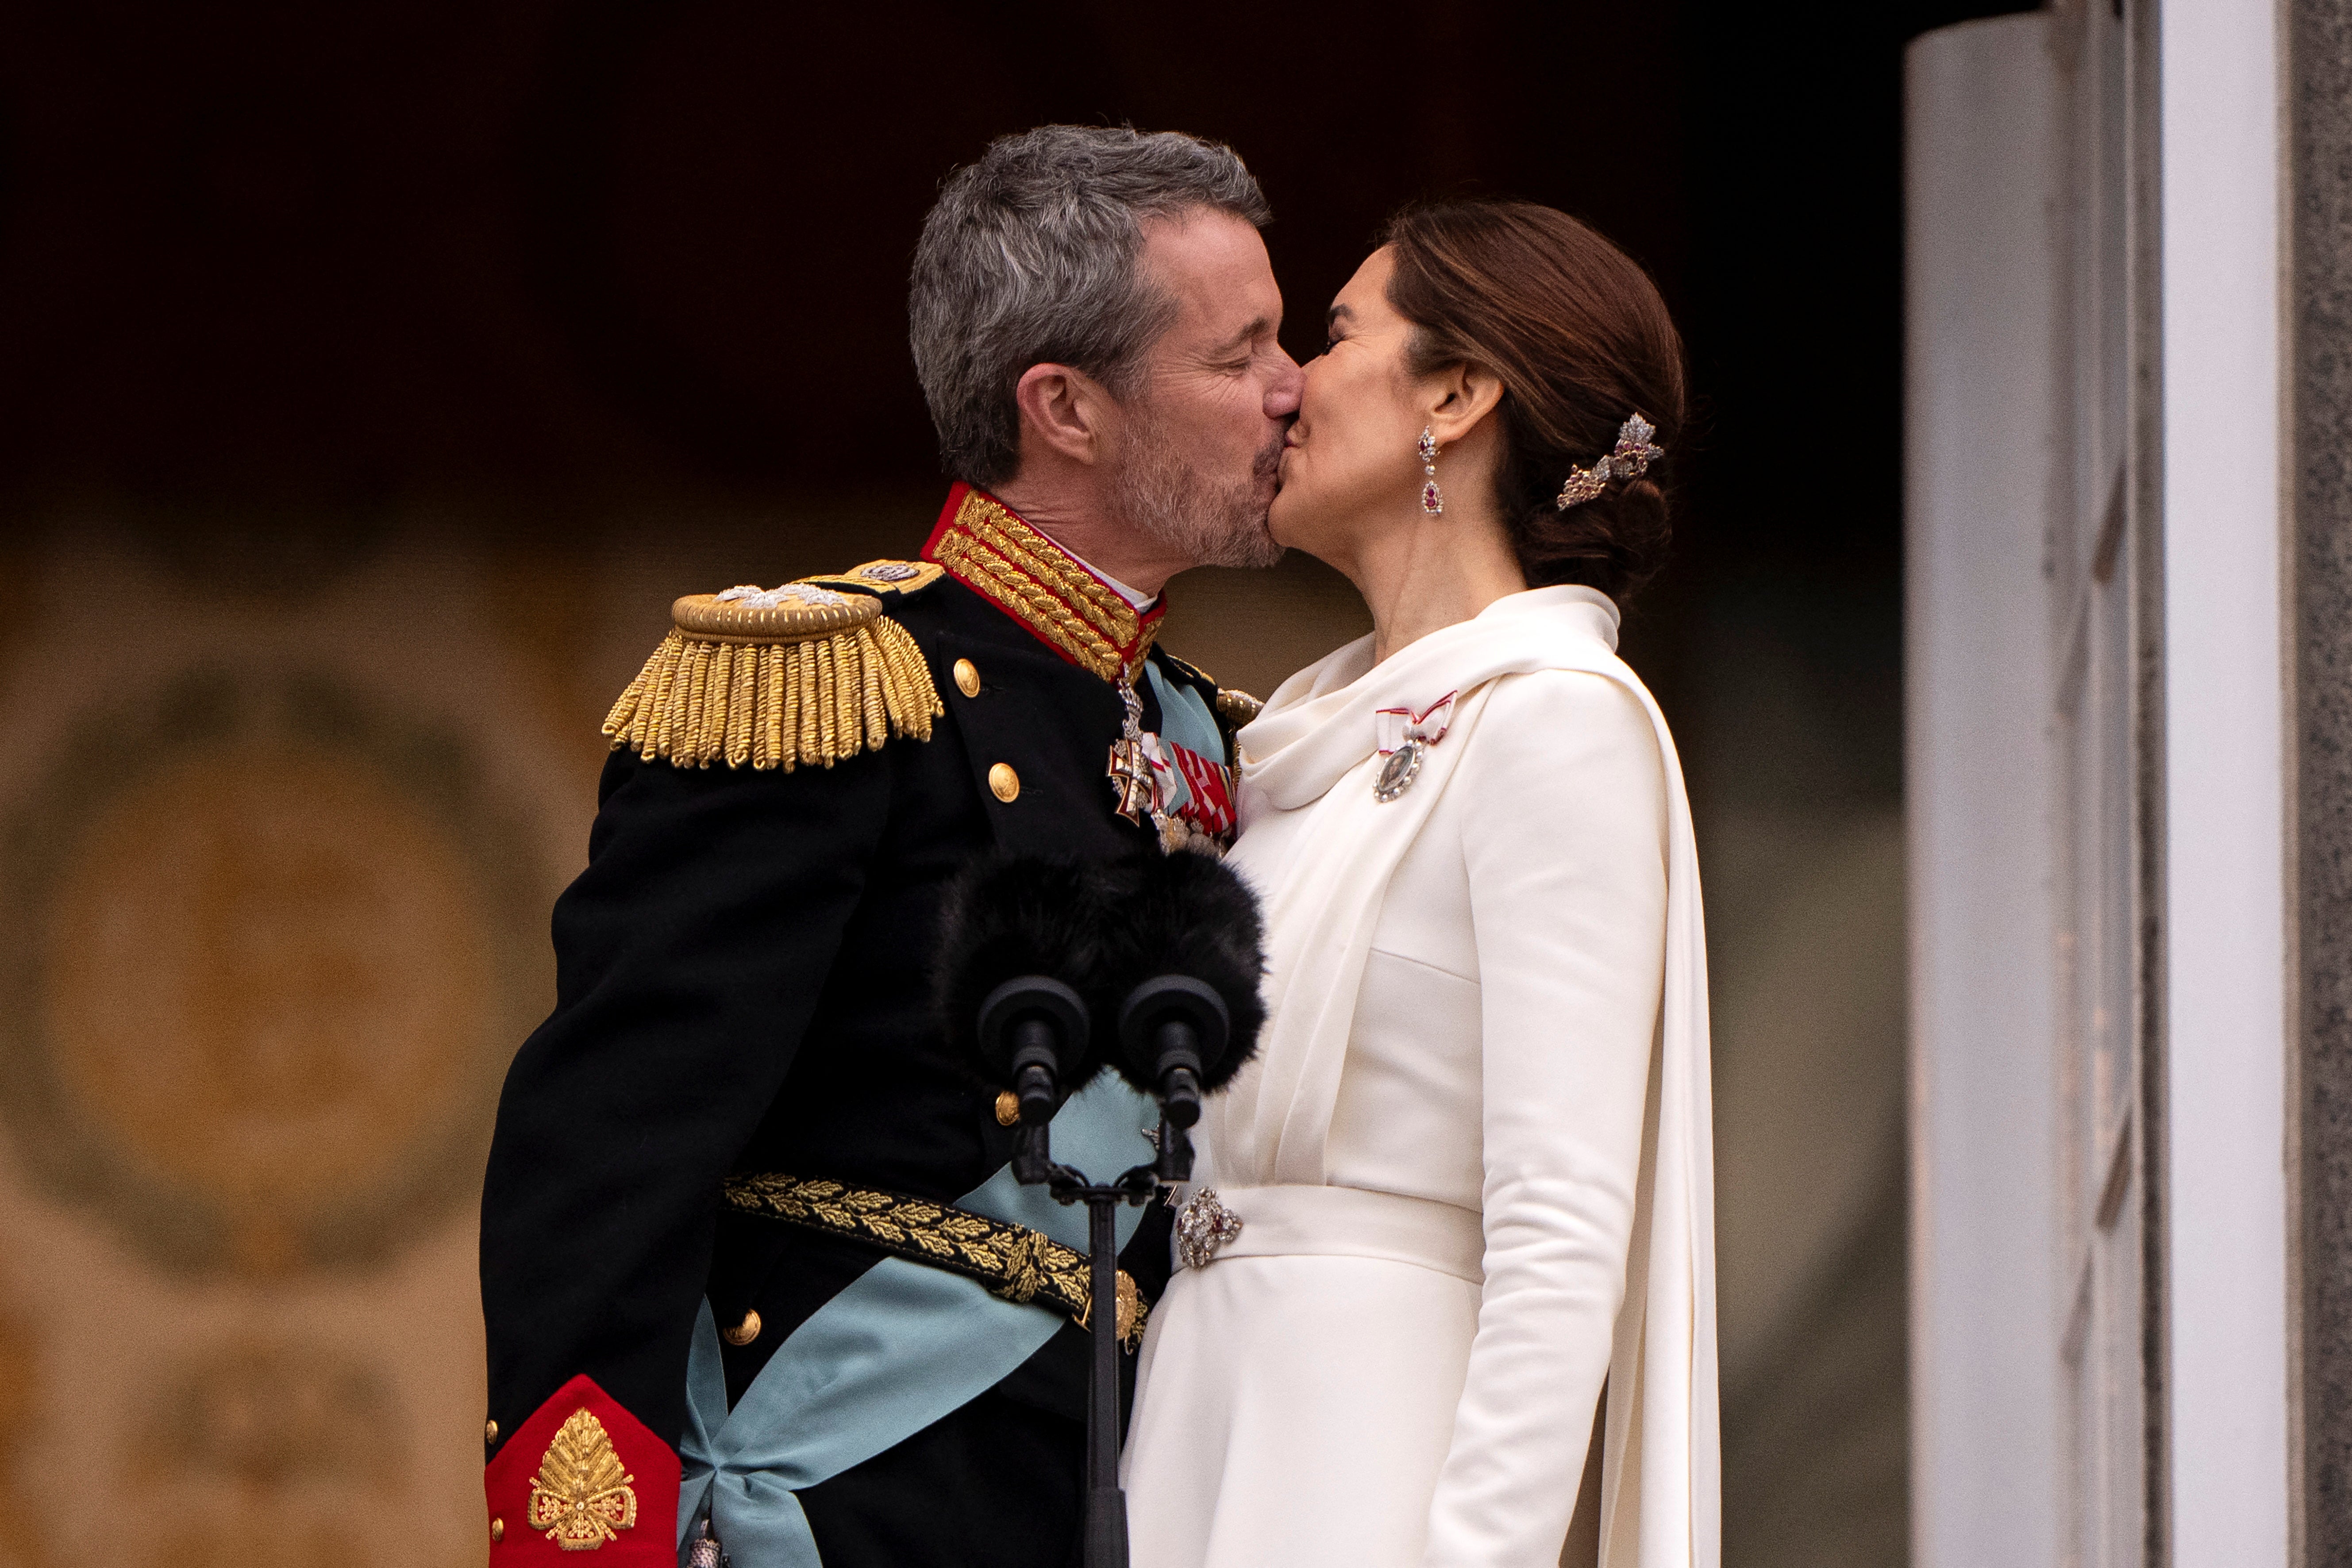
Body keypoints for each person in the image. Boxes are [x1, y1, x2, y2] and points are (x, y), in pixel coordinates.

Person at [477, 124, 1301, 1567]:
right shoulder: (832, 685)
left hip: (1117, 1494)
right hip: (848, 1501)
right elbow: (603, 1148)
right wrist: (585, 1545)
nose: (1292, 395)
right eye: (1238, 357)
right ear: (1066, 406)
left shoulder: (1206, 734)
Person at [1122, 199, 1719, 1568]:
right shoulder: (1289, 750)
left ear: (1453, 394)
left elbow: (1562, 1233)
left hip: (1371, 1458)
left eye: (1332, 337)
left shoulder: (1556, 722)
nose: (1287, 388)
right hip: (1194, 1425)